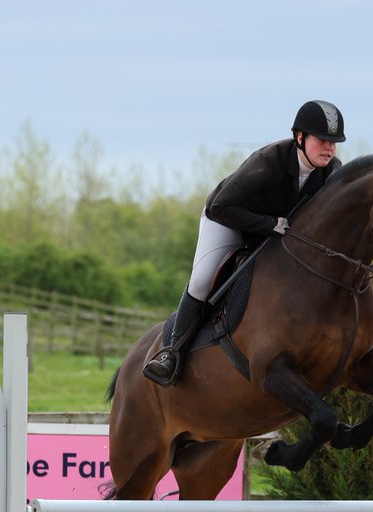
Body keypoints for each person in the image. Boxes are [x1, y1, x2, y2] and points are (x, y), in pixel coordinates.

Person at [142, 100, 346, 386]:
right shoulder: (268, 163)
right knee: (202, 281)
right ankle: (171, 353)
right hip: (226, 221)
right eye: (323, 140)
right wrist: (268, 224)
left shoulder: (331, 171)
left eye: (334, 143)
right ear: (300, 138)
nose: (329, 148)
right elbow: (221, 207)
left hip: (274, 231)